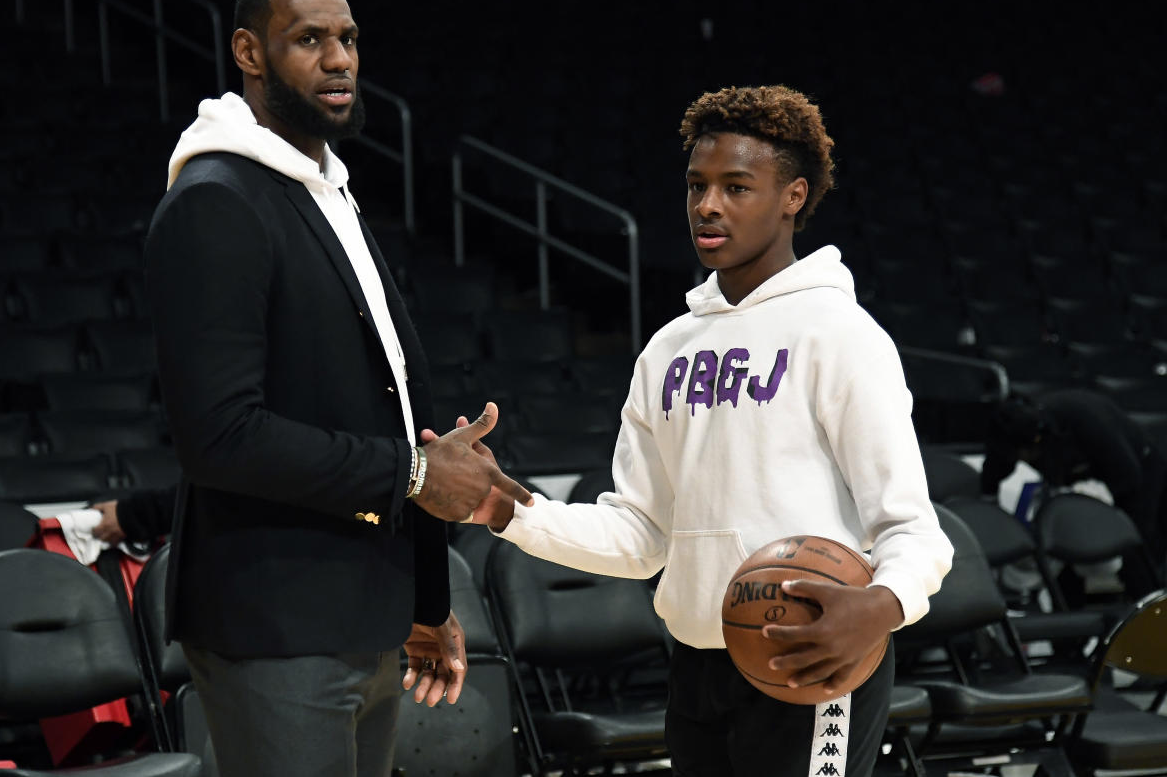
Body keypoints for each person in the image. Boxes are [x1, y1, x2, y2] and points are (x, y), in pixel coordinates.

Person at [453, 85, 954, 777]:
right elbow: (638, 536)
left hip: (808, 659)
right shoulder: (667, 351)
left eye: (736, 187)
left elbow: (912, 528)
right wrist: (509, 513)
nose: (708, 206)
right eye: (697, 186)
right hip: (694, 665)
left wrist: (882, 605)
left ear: (794, 197)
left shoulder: (841, 336)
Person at [142, 0, 532, 777]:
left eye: (349, 39)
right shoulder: (217, 197)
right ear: (249, 52)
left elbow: (395, 408)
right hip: (275, 620)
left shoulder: (327, 192)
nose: (339, 59)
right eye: (309, 40)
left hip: (365, 611)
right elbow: (219, 437)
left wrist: (427, 604)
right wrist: (419, 471)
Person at [980, 387, 1167, 582]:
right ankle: (1068, 607)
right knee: (1062, 544)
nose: (1025, 459)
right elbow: (991, 480)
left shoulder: (1085, 420)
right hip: (1078, 479)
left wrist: (1093, 497)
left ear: (1039, 439)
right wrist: (990, 515)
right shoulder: (1005, 438)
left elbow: (1128, 475)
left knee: (1134, 551)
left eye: (1029, 453)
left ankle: (1147, 601)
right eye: (1019, 456)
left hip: (1137, 470)